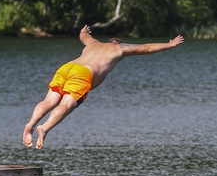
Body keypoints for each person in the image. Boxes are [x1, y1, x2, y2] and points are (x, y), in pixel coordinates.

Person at [22, 25, 184, 150]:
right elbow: (145, 48)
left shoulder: (93, 43)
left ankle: (30, 125)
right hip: (84, 74)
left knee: (49, 100)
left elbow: (83, 35)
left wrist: (84, 30)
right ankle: (44, 129)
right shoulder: (119, 49)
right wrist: (169, 45)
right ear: (120, 43)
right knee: (65, 105)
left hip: (67, 67)